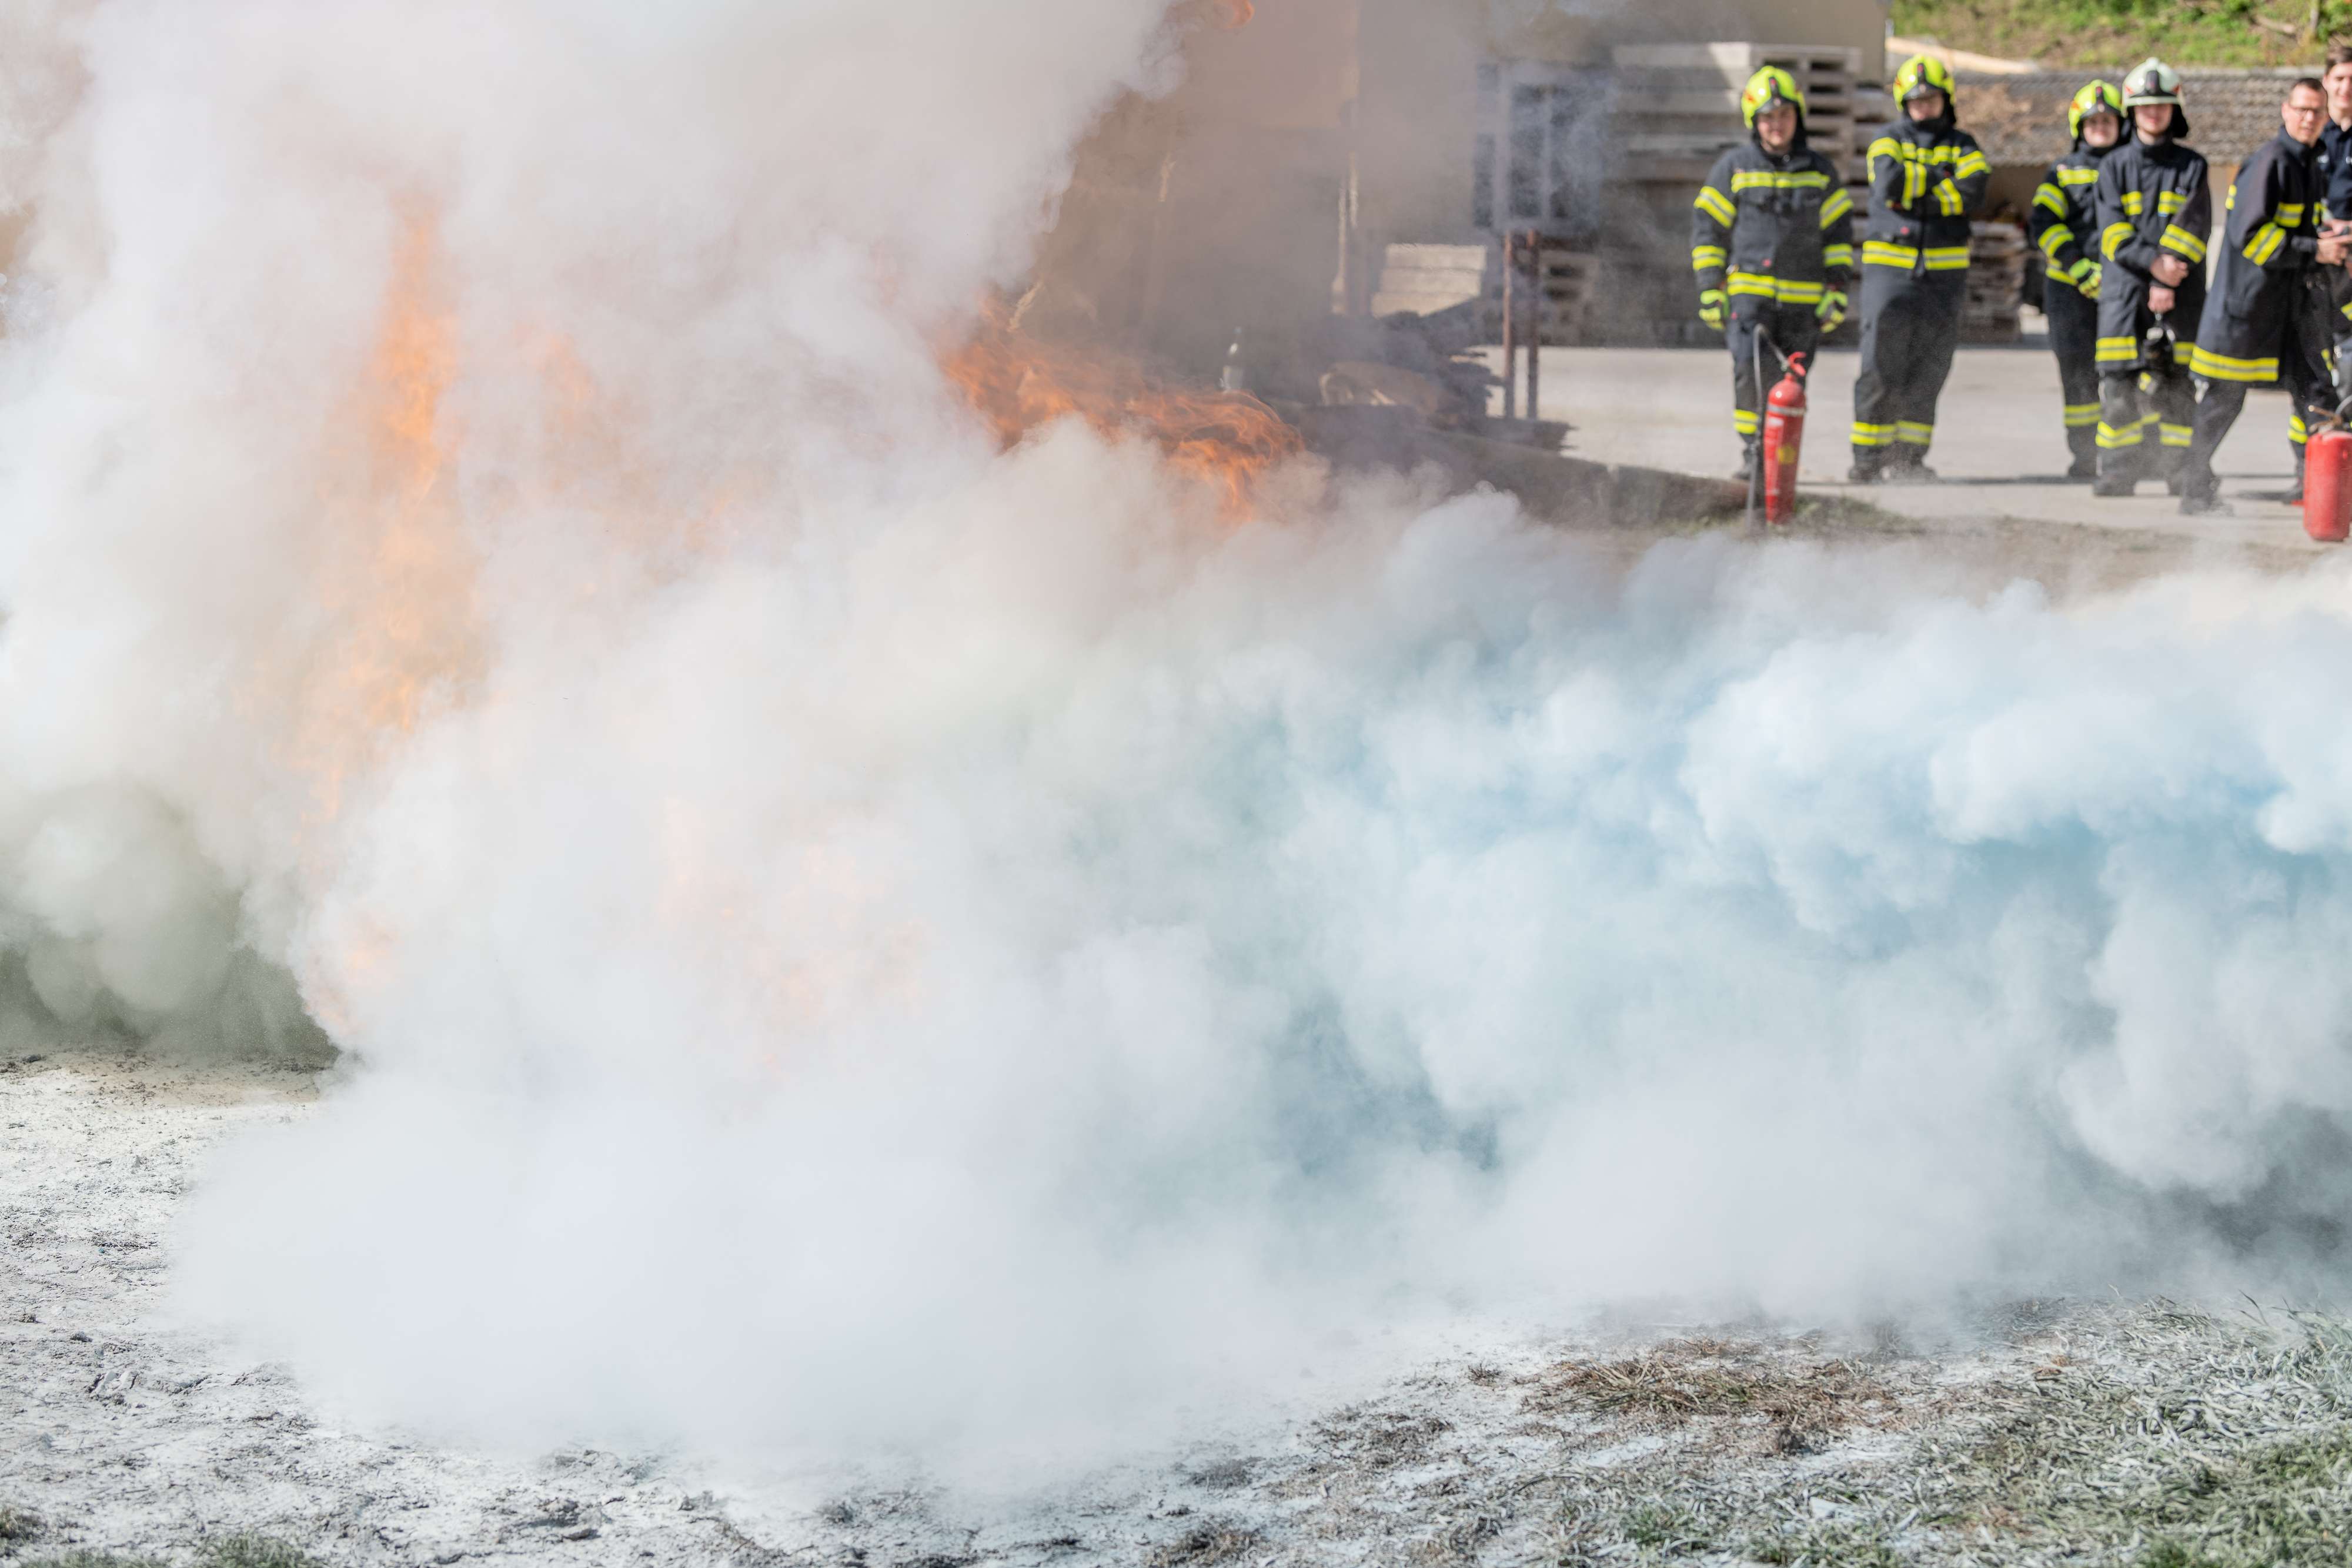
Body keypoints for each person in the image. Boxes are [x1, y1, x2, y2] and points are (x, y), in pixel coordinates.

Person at [2179, 78, 2350, 514]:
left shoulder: (2309, 164)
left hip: (2290, 311)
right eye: (2302, 109)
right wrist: (2316, 250)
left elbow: (2298, 228)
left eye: (2317, 111)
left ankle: (2322, 497)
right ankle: (2194, 490)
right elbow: (2250, 235)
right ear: (2285, 110)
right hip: (2247, 309)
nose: (2309, 117)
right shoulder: (2271, 161)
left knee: (2317, 398)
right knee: (2223, 401)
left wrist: (2328, 235)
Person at [1689, 66, 1855, 481]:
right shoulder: (1734, 168)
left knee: (1791, 387)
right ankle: (1753, 456)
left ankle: (1781, 462)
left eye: (1784, 115)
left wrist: (1837, 290)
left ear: (1797, 117)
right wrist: (1710, 288)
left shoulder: (1820, 171)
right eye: (1767, 117)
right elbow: (1708, 231)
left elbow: (1838, 237)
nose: (1776, 124)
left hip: (1804, 307)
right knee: (1750, 374)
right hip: (1750, 303)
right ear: (1754, 121)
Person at [1849, 55, 1988, 482]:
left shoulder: (1965, 145)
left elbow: (1974, 189)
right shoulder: (1886, 139)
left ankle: (1908, 460)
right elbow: (1888, 183)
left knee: (1930, 368)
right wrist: (1941, 180)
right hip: (1891, 274)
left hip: (1943, 279)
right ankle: (1868, 459)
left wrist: (1919, 193)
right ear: (1903, 103)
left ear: (1946, 99)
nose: (1924, 106)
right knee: (1880, 365)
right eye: (1916, 100)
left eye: (1931, 98)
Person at [2090, 59, 2209, 497]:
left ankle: (2179, 474)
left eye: (2160, 105)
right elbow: (2112, 231)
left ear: (2175, 110)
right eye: (2144, 106)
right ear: (2132, 111)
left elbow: (2194, 224)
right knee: (2118, 387)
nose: (2153, 112)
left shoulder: (2193, 165)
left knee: (2177, 386)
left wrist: (2166, 279)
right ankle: (2117, 475)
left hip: (2179, 292)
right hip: (2124, 295)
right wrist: (2155, 266)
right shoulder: (2113, 166)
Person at [2029, 81, 2124, 479]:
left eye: (2107, 121)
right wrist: (2078, 266)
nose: (2100, 127)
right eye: (2092, 122)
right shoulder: (2063, 172)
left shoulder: (2132, 166)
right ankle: (2085, 456)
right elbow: (2043, 223)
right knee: (2077, 375)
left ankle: (2129, 455)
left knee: (2126, 373)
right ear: (2079, 127)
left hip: (2122, 289)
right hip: (2069, 290)